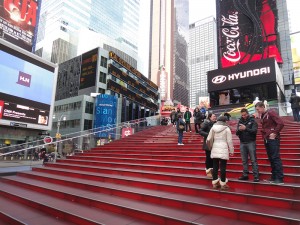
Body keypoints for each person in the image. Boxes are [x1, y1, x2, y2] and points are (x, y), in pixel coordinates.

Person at [255, 102, 284, 184]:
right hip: (267, 138)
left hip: (272, 139)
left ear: (262, 107)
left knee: (275, 157)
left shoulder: (271, 112)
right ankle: (274, 177)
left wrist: (274, 133)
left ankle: (279, 178)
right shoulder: (263, 115)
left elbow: (281, 123)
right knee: (271, 158)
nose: (257, 111)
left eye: (258, 109)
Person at [207, 116, 234, 190]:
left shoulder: (213, 128)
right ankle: (223, 184)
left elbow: (209, 139)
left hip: (215, 147)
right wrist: (231, 151)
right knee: (223, 167)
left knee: (215, 167)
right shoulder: (227, 128)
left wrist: (210, 147)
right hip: (223, 148)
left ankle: (215, 183)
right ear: (225, 121)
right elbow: (229, 141)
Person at [236, 108, 260, 182]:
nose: (244, 116)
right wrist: (239, 130)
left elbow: (254, 131)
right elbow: (236, 133)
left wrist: (246, 128)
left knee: (253, 160)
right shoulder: (240, 121)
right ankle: (245, 174)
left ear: (248, 113)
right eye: (242, 115)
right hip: (242, 142)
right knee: (244, 160)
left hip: (251, 142)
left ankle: (256, 176)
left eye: (245, 115)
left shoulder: (253, 121)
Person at [199, 113, 217, 177]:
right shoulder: (206, 123)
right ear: (210, 117)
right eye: (214, 116)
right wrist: (208, 135)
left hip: (215, 143)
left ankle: (213, 171)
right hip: (208, 143)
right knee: (208, 157)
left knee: (213, 157)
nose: (215, 117)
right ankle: (208, 170)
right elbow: (200, 131)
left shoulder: (216, 123)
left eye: (215, 116)